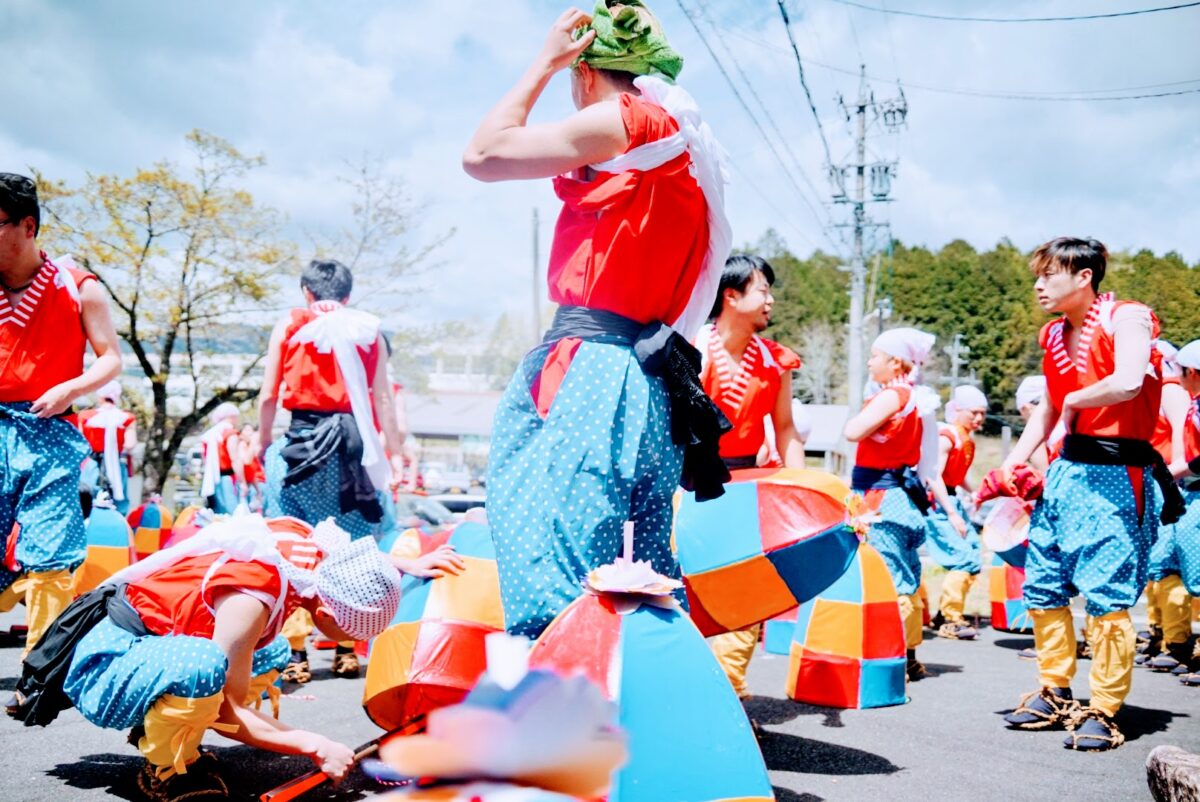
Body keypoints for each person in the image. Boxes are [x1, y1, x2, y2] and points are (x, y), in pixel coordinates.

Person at [464, 1, 731, 638]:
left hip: (593, 364)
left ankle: (567, 709)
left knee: (556, 546)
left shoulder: (631, 121)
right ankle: (650, 709)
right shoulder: (681, 140)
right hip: (648, 372)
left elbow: (482, 154)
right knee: (637, 559)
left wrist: (542, 61)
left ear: (585, 70)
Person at [55, 514, 424, 802]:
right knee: (202, 667)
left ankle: (168, 734)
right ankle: (166, 770)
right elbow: (225, 711)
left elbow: (353, 563)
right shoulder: (252, 597)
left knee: (272, 651)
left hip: (141, 651)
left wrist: (401, 566)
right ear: (326, 615)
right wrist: (316, 745)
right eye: (358, 634)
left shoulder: (302, 552)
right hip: (104, 662)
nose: (361, 642)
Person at [1000, 237, 1181, 751]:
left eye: (1049, 275)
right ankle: (1054, 689)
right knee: (1043, 582)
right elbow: (1050, 408)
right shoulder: (1053, 334)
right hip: (1067, 471)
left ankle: (1104, 707)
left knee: (1107, 596)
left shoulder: (1128, 317)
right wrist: (1015, 459)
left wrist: (1072, 398)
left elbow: (1126, 383)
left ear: (1084, 277)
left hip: (1117, 471)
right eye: (1036, 275)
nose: (1038, 285)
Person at [258, 259, 410, 679]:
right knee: (352, 542)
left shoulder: (291, 323)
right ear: (347, 295)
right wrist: (394, 454)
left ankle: (295, 653)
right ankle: (346, 646)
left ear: (307, 290)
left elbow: (269, 393)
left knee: (292, 545)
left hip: (301, 446)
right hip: (353, 447)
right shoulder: (368, 329)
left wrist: (263, 439)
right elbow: (382, 400)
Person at [0, 172, 123, 657]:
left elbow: (110, 356)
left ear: (27, 226)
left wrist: (70, 387)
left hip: (50, 427)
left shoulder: (78, 286)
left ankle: (39, 670)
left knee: (51, 552)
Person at [693, 254, 803, 700]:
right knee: (690, 590)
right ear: (730, 295)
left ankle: (730, 695)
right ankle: (690, 690)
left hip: (746, 487)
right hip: (691, 483)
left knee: (744, 592)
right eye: (762, 290)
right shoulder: (694, 345)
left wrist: (803, 487)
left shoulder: (774, 360)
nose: (770, 300)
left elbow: (786, 429)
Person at [843, 327, 946, 681]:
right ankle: (910, 654)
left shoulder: (893, 395)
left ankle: (893, 656)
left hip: (881, 497)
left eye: (875, 356)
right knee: (906, 577)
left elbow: (852, 431)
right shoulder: (918, 399)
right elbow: (928, 462)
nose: (870, 362)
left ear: (895, 362)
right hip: (899, 496)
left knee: (890, 580)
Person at [925, 384, 988, 640]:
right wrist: (951, 513)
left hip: (951, 499)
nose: (979, 418)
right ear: (957, 410)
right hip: (938, 502)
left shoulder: (964, 438)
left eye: (982, 413)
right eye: (973, 412)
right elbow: (934, 475)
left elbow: (955, 475)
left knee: (973, 553)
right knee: (964, 557)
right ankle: (950, 618)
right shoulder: (946, 436)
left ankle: (944, 613)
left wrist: (973, 492)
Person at [78, 380, 138, 515]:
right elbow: (130, 444)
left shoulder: (86, 416)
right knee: (119, 497)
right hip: (116, 464)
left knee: (87, 495)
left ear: (100, 396)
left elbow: (80, 442)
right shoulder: (126, 418)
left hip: (91, 462)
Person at [199, 404, 244, 514]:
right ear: (232, 416)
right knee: (233, 511)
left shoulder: (210, 435)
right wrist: (243, 481)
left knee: (219, 512)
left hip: (213, 478)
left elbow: (203, 457)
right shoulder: (229, 433)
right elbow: (235, 459)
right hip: (228, 477)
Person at [239, 425, 268, 513]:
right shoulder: (242, 445)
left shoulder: (251, 446)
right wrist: (253, 443)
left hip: (258, 483)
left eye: (251, 430)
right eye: (247, 430)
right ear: (241, 434)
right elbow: (247, 461)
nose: (250, 433)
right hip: (252, 485)